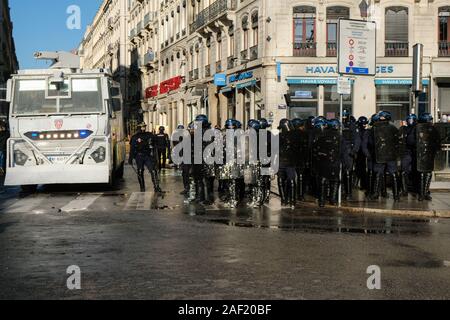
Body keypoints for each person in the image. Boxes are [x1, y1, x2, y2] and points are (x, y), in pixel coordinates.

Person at [366, 111, 400, 201]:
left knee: (378, 173)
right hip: (391, 155)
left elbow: (370, 142)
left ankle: (376, 194)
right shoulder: (393, 128)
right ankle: (396, 195)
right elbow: (398, 141)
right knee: (393, 174)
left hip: (379, 154)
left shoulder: (374, 128)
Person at [311, 118, 342, 207]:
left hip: (323, 161)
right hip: (334, 161)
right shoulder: (339, 136)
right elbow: (342, 150)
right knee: (335, 180)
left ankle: (321, 201)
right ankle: (332, 199)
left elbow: (316, 148)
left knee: (323, 180)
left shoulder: (322, 135)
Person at [129, 122, 162, 193]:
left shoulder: (149, 135)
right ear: (139, 127)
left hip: (147, 155)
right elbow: (132, 148)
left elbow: (155, 142)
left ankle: (156, 187)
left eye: (144, 126)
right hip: (139, 156)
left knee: (153, 170)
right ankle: (142, 188)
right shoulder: (135, 137)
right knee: (140, 171)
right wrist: (130, 158)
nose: (143, 128)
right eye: (142, 127)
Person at [415, 113, 441, 201]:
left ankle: (425, 192)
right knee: (422, 173)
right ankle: (422, 193)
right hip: (421, 154)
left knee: (428, 173)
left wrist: (435, 149)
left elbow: (437, 141)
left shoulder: (433, 129)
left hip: (429, 154)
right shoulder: (417, 129)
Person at [341, 110, 360, 200]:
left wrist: (354, 150)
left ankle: (348, 193)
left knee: (348, 171)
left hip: (348, 150)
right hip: (340, 150)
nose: (343, 118)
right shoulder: (339, 124)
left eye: (345, 116)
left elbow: (357, 139)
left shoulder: (352, 125)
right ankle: (342, 191)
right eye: (342, 116)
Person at [277, 119, 296, 207]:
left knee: (281, 180)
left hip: (282, 161)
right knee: (290, 180)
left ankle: (284, 200)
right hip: (290, 161)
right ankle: (292, 200)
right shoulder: (294, 136)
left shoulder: (279, 136)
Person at [398, 114, 417, 197]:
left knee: (415, 171)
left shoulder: (418, 129)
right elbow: (398, 138)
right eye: (409, 120)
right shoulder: (403, 129)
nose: (410, 121)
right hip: (406, 152)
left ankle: (417, 189)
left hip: (415, 153)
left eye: (412, 120)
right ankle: (404, 190)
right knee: (403, 171)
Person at [291, 118, 309, 202]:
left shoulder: (290, 134)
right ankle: (300, 195)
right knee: (301, 176)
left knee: (291, 177)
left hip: (292, 157)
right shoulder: (305, 134)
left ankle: (291, 194)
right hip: (301, 158)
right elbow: (307, 147)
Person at [354, 116, 369, 191]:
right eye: (364, 124)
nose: (365, 125)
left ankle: (360, 184)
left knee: (361, 168)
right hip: (360, 151)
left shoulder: (364, 131)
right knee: (360, 168)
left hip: (362, 152)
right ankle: (358, 184)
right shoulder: (358, 131)